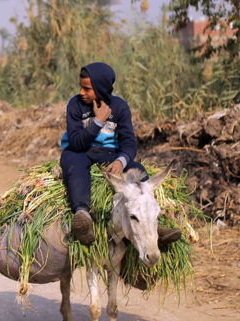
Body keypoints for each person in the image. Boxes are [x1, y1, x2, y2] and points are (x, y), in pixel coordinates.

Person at [60, 62, 181, 246]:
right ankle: (82, 216)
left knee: (138, 170)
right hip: (80, 151)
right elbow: (76, 143)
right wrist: (99, 121)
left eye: (87, 88)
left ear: (100, 89)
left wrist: (121, 161)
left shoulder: (120, 107)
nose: (82, 92)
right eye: (81, 87)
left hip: (109, 153)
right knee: (71, 161)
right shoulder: (75, 105)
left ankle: (154, 227)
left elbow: (129, 144)